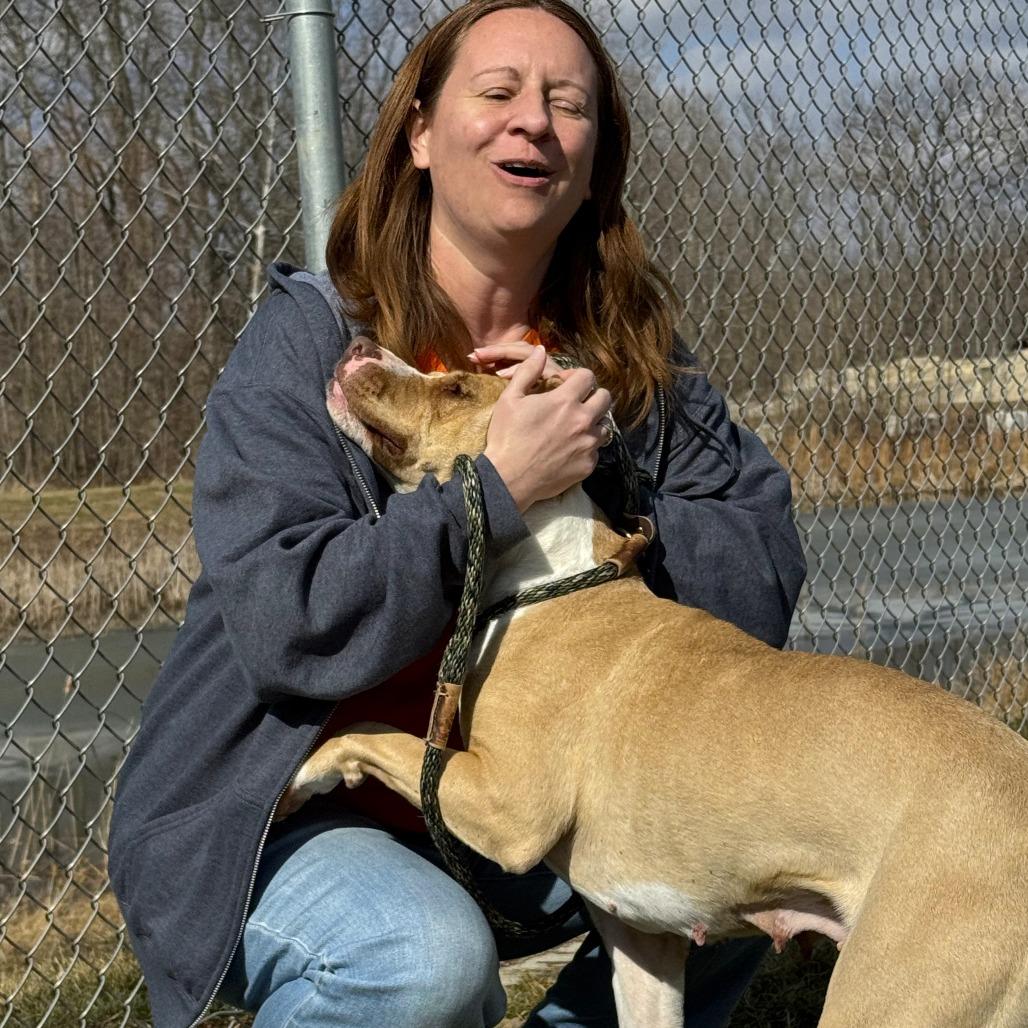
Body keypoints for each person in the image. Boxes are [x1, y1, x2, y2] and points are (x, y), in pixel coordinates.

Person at [108, 1, 807, 1026]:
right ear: (422, 135)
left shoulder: (625, 364)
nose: (534, 121)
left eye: (568, 104)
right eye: (499, 92)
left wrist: (599, 468)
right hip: (283, 813)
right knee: (420, 955)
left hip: (525, 797)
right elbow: (288, 619)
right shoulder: (315, 349)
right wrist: (495, 492)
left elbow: (760, 578)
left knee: (751, 848)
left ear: (594, 164)